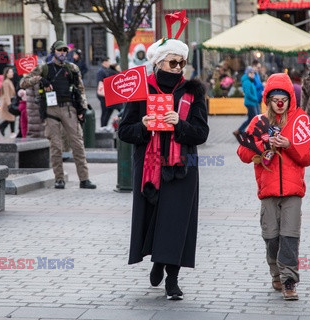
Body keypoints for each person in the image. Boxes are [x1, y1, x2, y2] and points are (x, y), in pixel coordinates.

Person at [118, 33, 209, 300]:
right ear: (158, 63)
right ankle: (157, 260)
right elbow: (124, 130)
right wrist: (143, 125)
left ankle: (173, 278)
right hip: (149, 165)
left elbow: (202, 133)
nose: (178, 69)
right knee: (154, 218)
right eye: (173, 63)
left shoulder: (193, 92)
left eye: (182, 64)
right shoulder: (141, 91)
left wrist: (179, 124)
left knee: (177, 222)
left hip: (183, 166)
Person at [237, 73, 310, 300]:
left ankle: (289, 281)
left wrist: (290, 145)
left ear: (290, 99)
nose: (280, 102)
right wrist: (263, 143)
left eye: (284, 97)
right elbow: (242, 153)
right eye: (275, 98)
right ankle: (276, 272)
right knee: (271, 237)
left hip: (293, 191)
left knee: (290, 236)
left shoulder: (300, 122)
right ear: (268, 100)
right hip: (268, 190)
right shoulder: (258, 122)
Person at [20, 40, 97, 190]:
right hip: (51, 110)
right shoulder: (44, 68)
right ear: (53, 51)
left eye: (65, 51)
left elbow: (80, 90)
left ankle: (84, 179)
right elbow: (24, 82)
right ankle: (59, 179)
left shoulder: (72, 68)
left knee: (78, 144)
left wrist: (82, 109)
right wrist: (40, 79)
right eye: (59, 50)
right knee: (55, 146)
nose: (62, 53)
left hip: (69, 109)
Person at [233, 66, 259, 137]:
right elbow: (248, 94)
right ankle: (251, 132)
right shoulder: (247, 82)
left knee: (251, 118)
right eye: (251, 73)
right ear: (248, 73)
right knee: (254, 118)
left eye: (253, 73)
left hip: (253, 102)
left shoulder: (250, 81)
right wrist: (255, 99)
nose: (253, 74)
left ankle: (240, 130)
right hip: (250, 103)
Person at [0, 66, 16, 138]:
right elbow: (6, 94)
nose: (12, 73)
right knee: (11, 118)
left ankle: (4, 130)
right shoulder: (6, 82)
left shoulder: (9, 81)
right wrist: (9, 104)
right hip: (7, 102)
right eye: (10, 72)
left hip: (9, 101)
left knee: (11, 118)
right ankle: (0, 129)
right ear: (6, 74)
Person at [97, 57, 121, 128]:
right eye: (108, 61)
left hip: (107, 95)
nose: (109, 63)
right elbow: (100, 83)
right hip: (104, 95)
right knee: (105, 112)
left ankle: (103, 126)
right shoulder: (101, 71)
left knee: (107, 112)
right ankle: (103, 126)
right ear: (104, 62)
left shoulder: (106, 70)